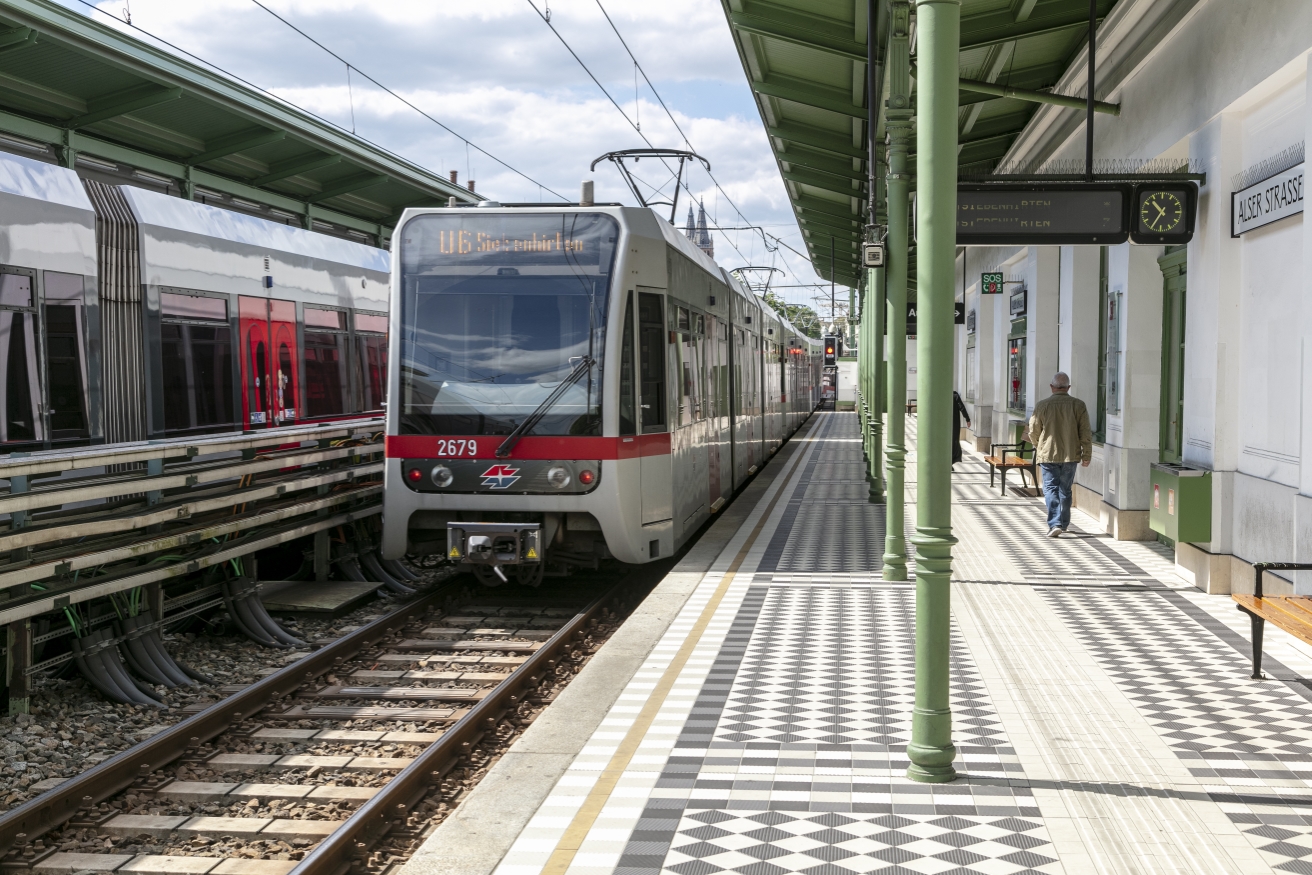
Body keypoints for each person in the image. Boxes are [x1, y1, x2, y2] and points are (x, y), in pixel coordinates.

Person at [1027, 372, 1092, 537]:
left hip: (1048, 454)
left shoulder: (1042, 405)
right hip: (1071, 454)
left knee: (1050, 488)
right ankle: (1063, 523)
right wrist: (1087, 454)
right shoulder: (1078, 405)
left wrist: (1038, 445)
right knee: (1065, 489)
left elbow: (1033, 430)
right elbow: (1085, 431)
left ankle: (1055, 523)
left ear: (1052, 387)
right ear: (1068, 387)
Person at [952, 390, 971, 468]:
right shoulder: (955, 396)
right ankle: (951, 461)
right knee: (954, 442)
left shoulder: (941, 396)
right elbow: (962, 407)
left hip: (943, 424)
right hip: (954, 424)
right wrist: (967, 419)